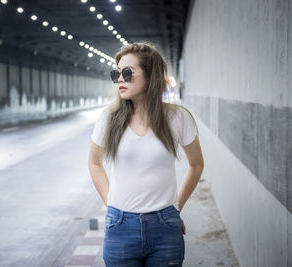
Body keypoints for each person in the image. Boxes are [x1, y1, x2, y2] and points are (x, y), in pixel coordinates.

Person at [87, 42, 204, 267]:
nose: (120, 79)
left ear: (151, 76)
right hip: (119, 227)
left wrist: (176, 208)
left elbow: (196, 164)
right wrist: (110, 203)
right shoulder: (108, 119)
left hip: (165, 227)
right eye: (117, 73)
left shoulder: (178, 118)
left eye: (128, 73)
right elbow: (94, 163)